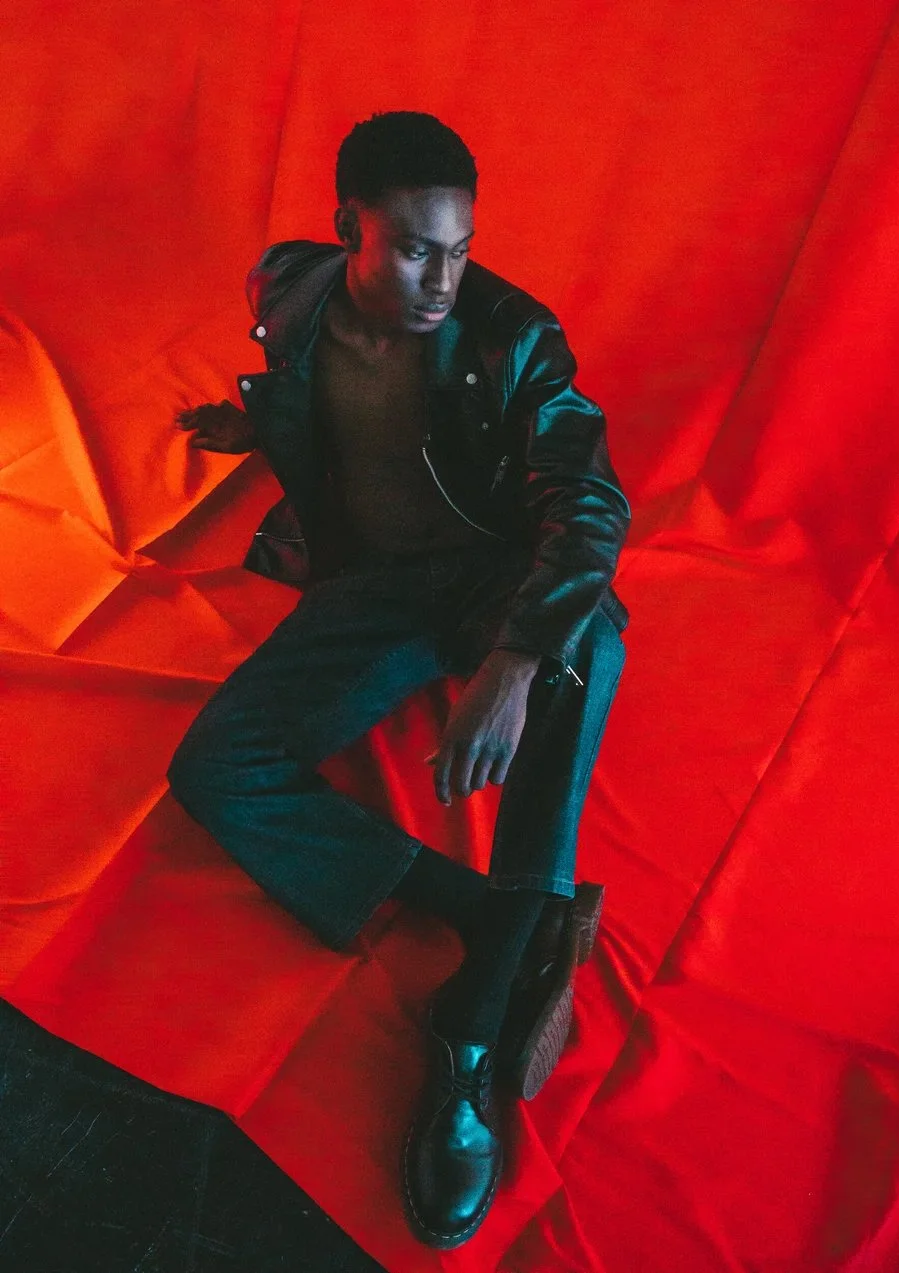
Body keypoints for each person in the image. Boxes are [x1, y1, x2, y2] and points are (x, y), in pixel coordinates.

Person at [168, 110, 630, 1251]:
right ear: (346, 230)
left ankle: (470, 1032)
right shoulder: (290, 294)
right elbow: (301, 389)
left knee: (590, 637)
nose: (441, 277)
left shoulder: (512, 336)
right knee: (212, 766)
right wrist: (251, 422)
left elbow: (589, 504)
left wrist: (513, 665)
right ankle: (499, 918)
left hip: (490, 574)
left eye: (459, 248)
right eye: (415, 247)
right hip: (370, 586)